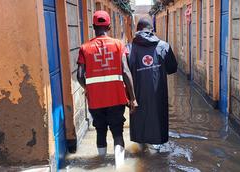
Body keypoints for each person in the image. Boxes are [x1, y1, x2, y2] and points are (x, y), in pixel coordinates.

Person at [76, 10, 137, 168]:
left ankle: (101, 163)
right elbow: (125, 71)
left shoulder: (84, 48)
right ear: (109, 26)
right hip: (116, 98)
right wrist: (133, 98)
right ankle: (120, 167)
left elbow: (80, 76)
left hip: (95, 100)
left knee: (100, 130)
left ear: (93, 26)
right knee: (117, 131)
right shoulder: (118, 45)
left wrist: (88, 88)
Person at [128, 18, 178, 150]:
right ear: (151, 30)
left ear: (137, 30)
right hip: (158, 97)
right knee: (158, 132)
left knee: (140, 131)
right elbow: (172, 68)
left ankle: (142, 153)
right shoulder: (164, 45)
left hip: (136, 97)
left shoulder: (129, 48)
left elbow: (125, 72)